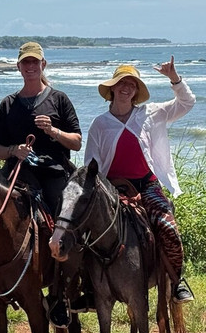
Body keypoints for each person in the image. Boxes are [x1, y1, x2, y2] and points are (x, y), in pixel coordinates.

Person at [84, 60, 196, 302]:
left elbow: (187, 103)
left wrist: (174, 78)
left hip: (147, 185)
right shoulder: (99, 124)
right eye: (121, 83)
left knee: (168, 228)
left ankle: (177, 280)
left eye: (132, 85)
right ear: (112, 88)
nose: (126, 88)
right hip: (111, 189)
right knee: (82, 231)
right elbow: (91, 165)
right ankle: (86, 289)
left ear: (136, 91)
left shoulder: (151, 113)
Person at [0, 41, 82, 216]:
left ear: (43, 64)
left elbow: (77, 143)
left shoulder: (59, 99)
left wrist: (53, 131)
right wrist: (14, 150)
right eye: (26, 62)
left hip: (52, 172)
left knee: (64, 218)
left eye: (35, 62)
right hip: (17, 172)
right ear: (19, 66)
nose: (30, 66)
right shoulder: (8, 104)